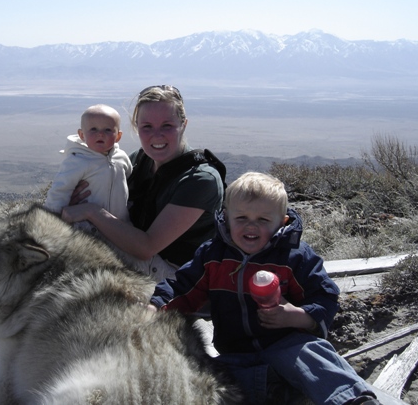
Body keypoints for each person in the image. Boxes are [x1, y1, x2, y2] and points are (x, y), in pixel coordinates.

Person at [150, 172, 380, 405]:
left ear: (282, 222)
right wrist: (156, 306)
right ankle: (276, 389)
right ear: (226, 217)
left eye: (263, 220)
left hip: (286, 347)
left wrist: (298, 317)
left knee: (314, 355)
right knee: (205, 374)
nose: (251, 226)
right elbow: (183, 287)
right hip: (235, 354)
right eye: (241, 218)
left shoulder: (295, 257)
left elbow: (325, 296)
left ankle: (352, 400)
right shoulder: (212, 256)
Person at [61, 85, 225, 282]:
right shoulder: (140, 160)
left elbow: (146, 248)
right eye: (147, 126)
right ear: (136, 127)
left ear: (184, 124)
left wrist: (91, 211)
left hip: (175, 276)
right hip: (140, 256)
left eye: (167, 125)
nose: (157, 135)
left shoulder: (200, 180)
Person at [44, 104, 132, 232]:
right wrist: (51, 222)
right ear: (81, 135)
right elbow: (60, 190)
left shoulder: (122, 157)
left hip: (120, 224)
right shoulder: (77, 161)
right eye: (93, 129)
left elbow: (130, 179)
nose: (100, 134)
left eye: (108, 130)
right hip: (87, 228)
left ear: (118, 136)